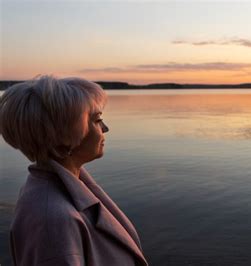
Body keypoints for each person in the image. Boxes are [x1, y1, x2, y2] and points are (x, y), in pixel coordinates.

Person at [0, 76, 148, 266]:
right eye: (97, 120)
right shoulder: (52, 222)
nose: (105, 128)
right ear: (64, 138)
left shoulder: (65, 188)